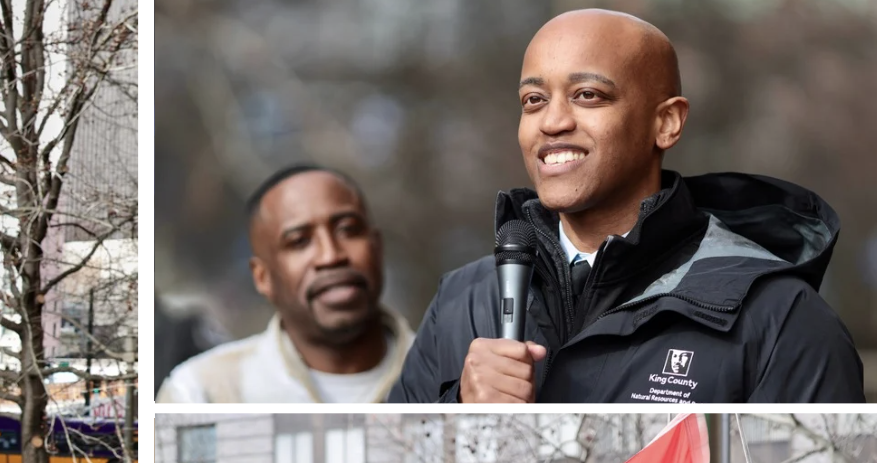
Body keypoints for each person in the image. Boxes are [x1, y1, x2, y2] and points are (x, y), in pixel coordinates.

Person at [390, 10, 861, 403]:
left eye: (587, 95)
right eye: (533, 100)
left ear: (667, 123)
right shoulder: (460, 302)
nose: (552, 121)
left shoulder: (782, 318)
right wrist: (459, 411)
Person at [159, 167, 412, 403]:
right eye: (300, 241)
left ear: (377, 248)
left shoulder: (446, 371)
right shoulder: (202, 393)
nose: (331, 255)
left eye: (348, 229)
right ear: (262, 277)